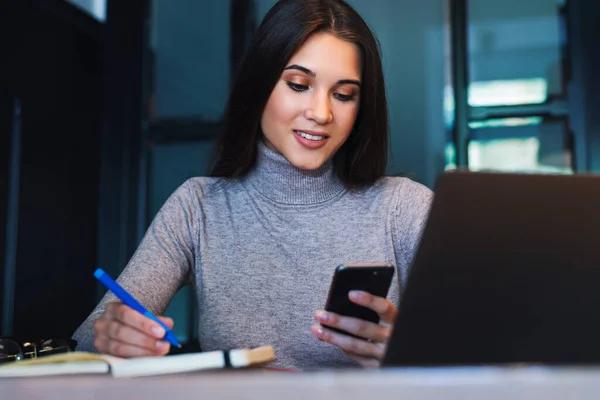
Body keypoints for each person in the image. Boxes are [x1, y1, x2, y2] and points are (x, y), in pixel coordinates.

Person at [72, 0, 433, 369]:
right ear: (259, 85)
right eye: (298, 84)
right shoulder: (199, 208)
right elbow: (84, 347)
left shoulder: (405, 208)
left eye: (343, 95)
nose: (321, 113)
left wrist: (412, 355)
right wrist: (111, 335)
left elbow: (486, 347)